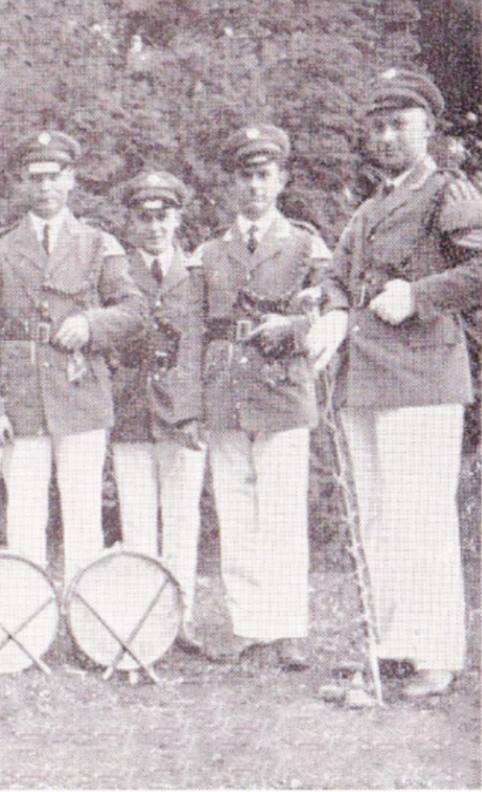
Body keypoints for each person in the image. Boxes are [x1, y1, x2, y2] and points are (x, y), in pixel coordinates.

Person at [308, 68, 482, 697]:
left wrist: (421, 294)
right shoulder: (370, 207)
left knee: (421, 516)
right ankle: (390, 649)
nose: (384, 137)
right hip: (367, 380)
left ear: (428, 128)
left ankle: (435, 656)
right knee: (380, 518)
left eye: (398, 124)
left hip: (425, 376)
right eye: (376, 126)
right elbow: (334, 273)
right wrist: (330, 307)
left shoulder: (448, 194)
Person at [0, 131, 146, 583]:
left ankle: (87, 620)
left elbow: (133, 310)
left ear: (71, 180)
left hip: (80, 391)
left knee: (83, 514)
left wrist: (91, 324)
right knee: (25, 516)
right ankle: (27, 623)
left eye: (54, 177)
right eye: (35, 178)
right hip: (23, 399)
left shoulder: (97, 244)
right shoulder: (0, 250)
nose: (45, 187)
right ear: (22, 184)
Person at [196, 124, 330, 671]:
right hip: (228, 391)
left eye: (264, 175)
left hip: (280, 389)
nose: (254, 186)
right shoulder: (209, 251)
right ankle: (248, 624)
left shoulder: (305, 243)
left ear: (282, 179)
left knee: (281, 511)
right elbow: (196, 328)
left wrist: (294, 325)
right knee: (237, 509)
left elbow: (327, 308)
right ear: (233, 183)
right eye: (245, 176)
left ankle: (289, 626)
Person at [107, 171, 206, 652]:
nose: (153, 227)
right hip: (130, 412)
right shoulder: (117, 272)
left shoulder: (198, 274)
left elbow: (204, 347)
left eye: (162, 216)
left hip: (182, 416)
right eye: (143, 218)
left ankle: (180, 619)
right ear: (129, 222)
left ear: (177, 218)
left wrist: (193, 410)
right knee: (138, 520)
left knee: (182, 519)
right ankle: (145, 623)